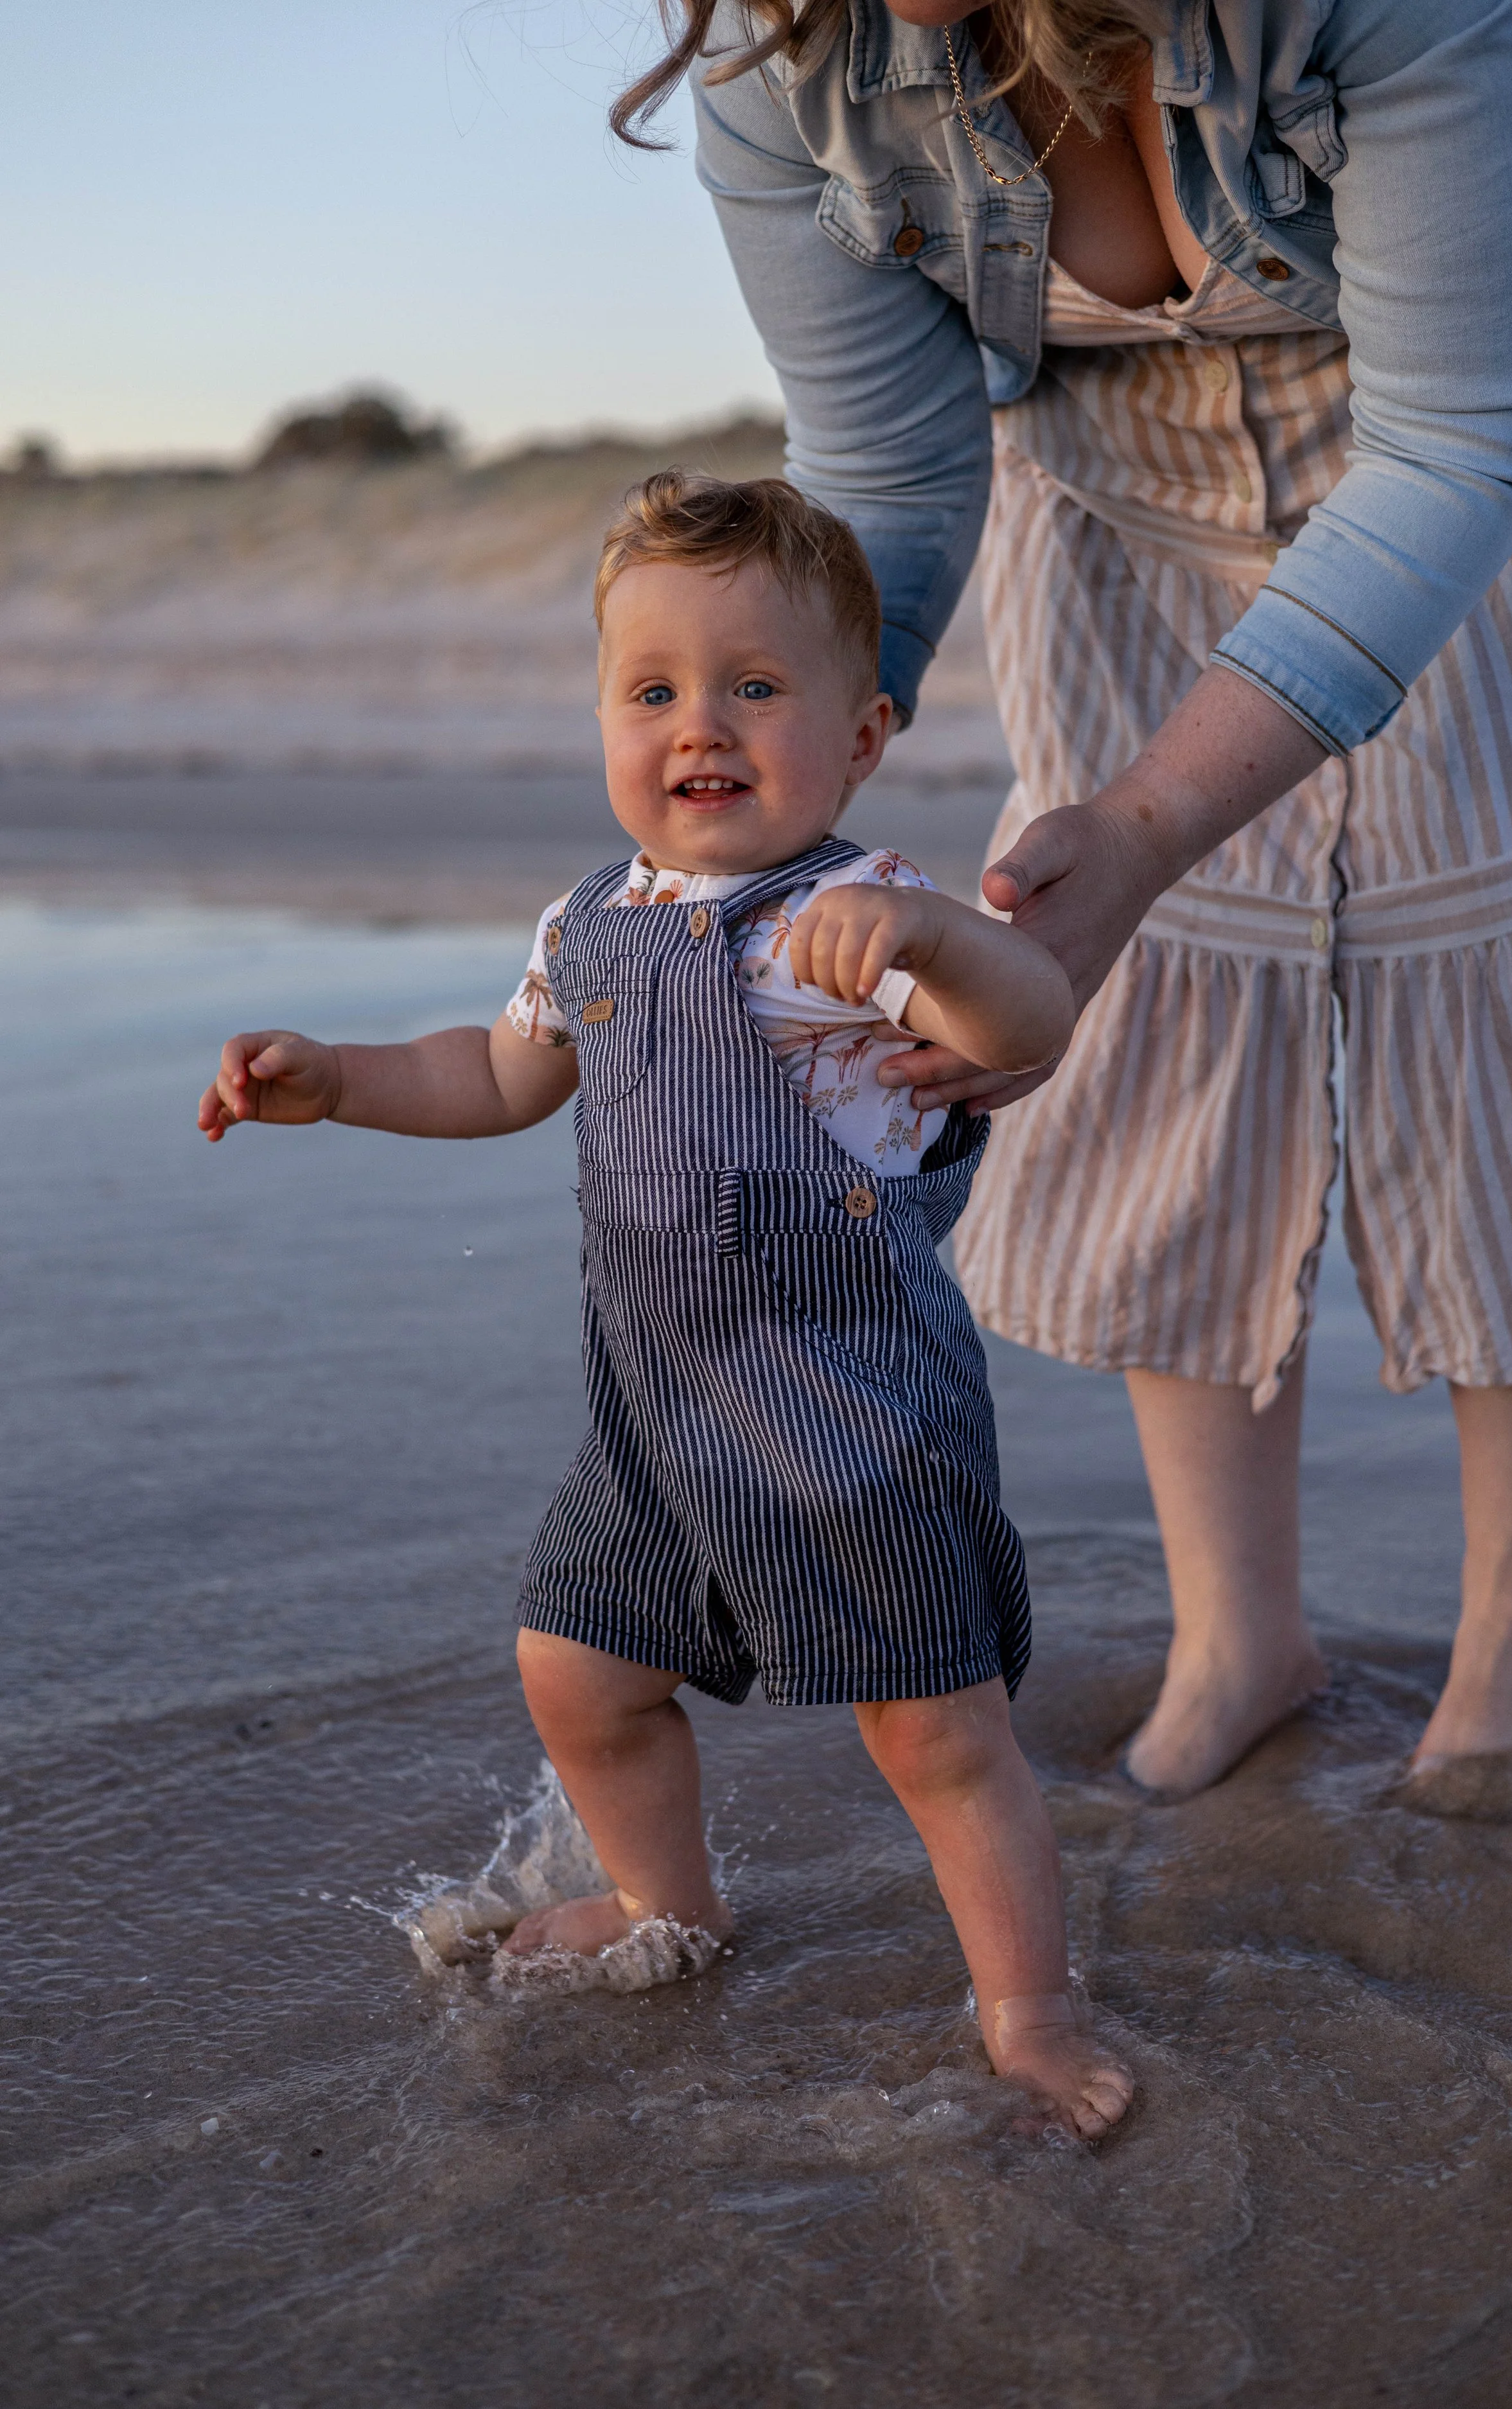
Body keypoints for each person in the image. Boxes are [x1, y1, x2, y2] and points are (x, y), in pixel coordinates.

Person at [647, 0, 1512, 1810]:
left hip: (1478, 473)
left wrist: (1157, 815)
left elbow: (1466, 425)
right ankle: (1238, 1633)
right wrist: (771, 808)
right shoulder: (782, 59)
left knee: (1501, 1032)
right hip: (1103, 502)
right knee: (1161, 1040)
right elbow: (886, 475)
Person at [198, 474, 1134, 2142]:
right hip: (656, 1415)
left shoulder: (837, 923)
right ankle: (666, 1900)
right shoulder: (588, 926)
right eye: (653, 690)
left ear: (859, 735)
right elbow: (493, 1075)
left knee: (932, 1728)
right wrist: (337, 1077)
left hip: (855, 1422)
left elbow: (1023, 1015)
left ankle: (1031, 2003)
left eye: (752, 687)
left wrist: (931, 932)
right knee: (576, 1668)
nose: (699, 722)